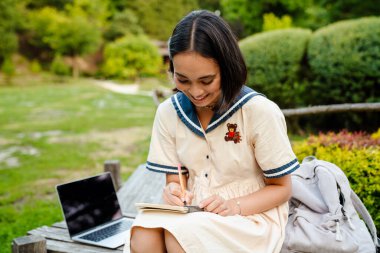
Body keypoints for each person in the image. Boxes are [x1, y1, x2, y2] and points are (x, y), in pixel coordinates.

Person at [128, 10, 300, 253]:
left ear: (227, 68)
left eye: (206, 80)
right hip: (195, 210)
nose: (196, 92)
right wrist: (175, 190)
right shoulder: (169, 113)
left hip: (251, 215)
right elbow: (177, 177)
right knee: (143, 235)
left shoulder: (259, 111)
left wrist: (234, 205)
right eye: (183, 80)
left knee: (181, 238)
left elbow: (282, 188)